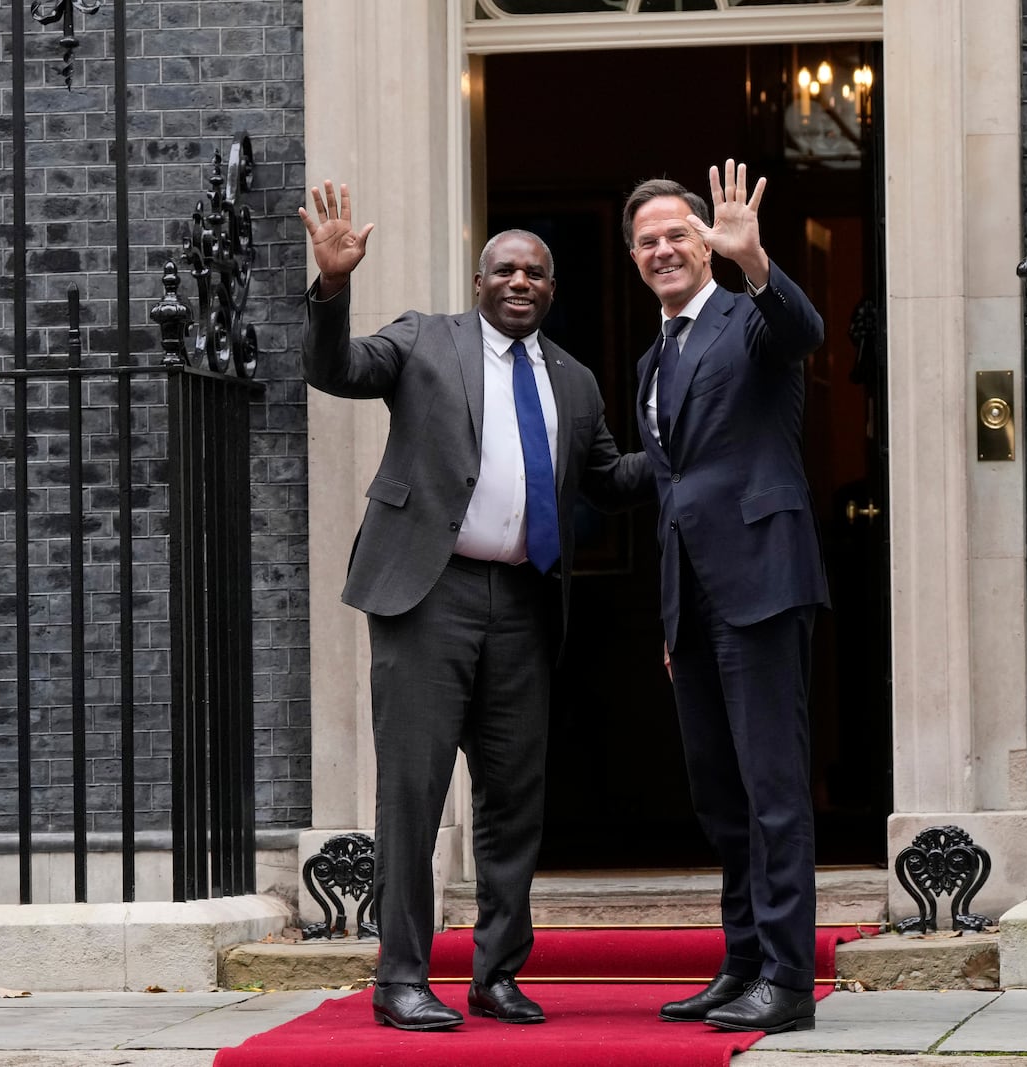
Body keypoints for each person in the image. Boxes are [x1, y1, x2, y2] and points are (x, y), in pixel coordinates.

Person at [298, 182, 647, 1032]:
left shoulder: (573, 381)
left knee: (512, 798)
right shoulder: (426, 340)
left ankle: (497, 973)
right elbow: (336, 369)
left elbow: (606, 481)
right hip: (429, 595)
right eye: (505, 269)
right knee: (413, 792)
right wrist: (333, 291)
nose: (520, 281)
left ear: (550, 289)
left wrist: (686, 448)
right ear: (480, 280)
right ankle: (401, 976)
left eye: (536, 271)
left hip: (524, 602)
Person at [623, 161, 828, 1034]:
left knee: (773, 790)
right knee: (721, 795)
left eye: (677, 234)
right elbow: (672, 482)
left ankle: (787, 976)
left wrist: (756, 263)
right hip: (694, 604)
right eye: (646, 241)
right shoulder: (653, 358)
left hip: (762, 584)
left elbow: (804, 330)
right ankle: (743, 959)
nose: (663, 249)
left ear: (707, 239)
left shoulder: (749, 318)